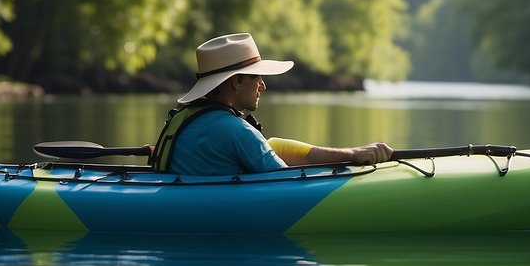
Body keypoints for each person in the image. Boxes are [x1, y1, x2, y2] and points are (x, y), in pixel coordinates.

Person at [150, 32, 393, 176]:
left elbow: (270, 149)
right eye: (257, 77)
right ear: (236, 82)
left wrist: (352, 154)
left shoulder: (187, 119)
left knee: (273, 143)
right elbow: (286, 179)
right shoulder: (235, 130)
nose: (263, 86)